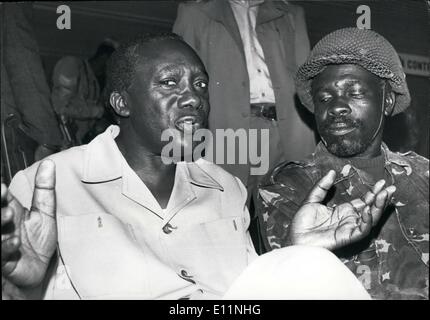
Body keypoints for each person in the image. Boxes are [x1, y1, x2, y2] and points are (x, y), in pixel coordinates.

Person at [1, 33, 394, 300]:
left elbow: (248, 298)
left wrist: (294, 254)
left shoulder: (227, 189)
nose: (193, 98)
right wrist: (18, 290)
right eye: (169, 83)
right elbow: (22, 276)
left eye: (200, 85)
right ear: (122, 103)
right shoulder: (50, 183)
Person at [256, 28, 429, 300]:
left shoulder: (424, 176)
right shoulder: (288, 188)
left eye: (355, 92)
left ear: (387, 101)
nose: (336, 107)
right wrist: (298, 251)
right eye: (324, 98)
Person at [173, 0, 316, 196]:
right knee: (226, 209)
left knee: (287, 210)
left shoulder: (290, 12)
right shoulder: (195, 11)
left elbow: (306, 76)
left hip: (285, 129)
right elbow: (182, 80)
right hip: (225, 130)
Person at [51, 40, 118, 146]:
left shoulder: (95, 84)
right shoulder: (72, 65)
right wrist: (97, 112)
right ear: (105, 58)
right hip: (53, 139)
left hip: (71, 144)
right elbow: (59, 106)